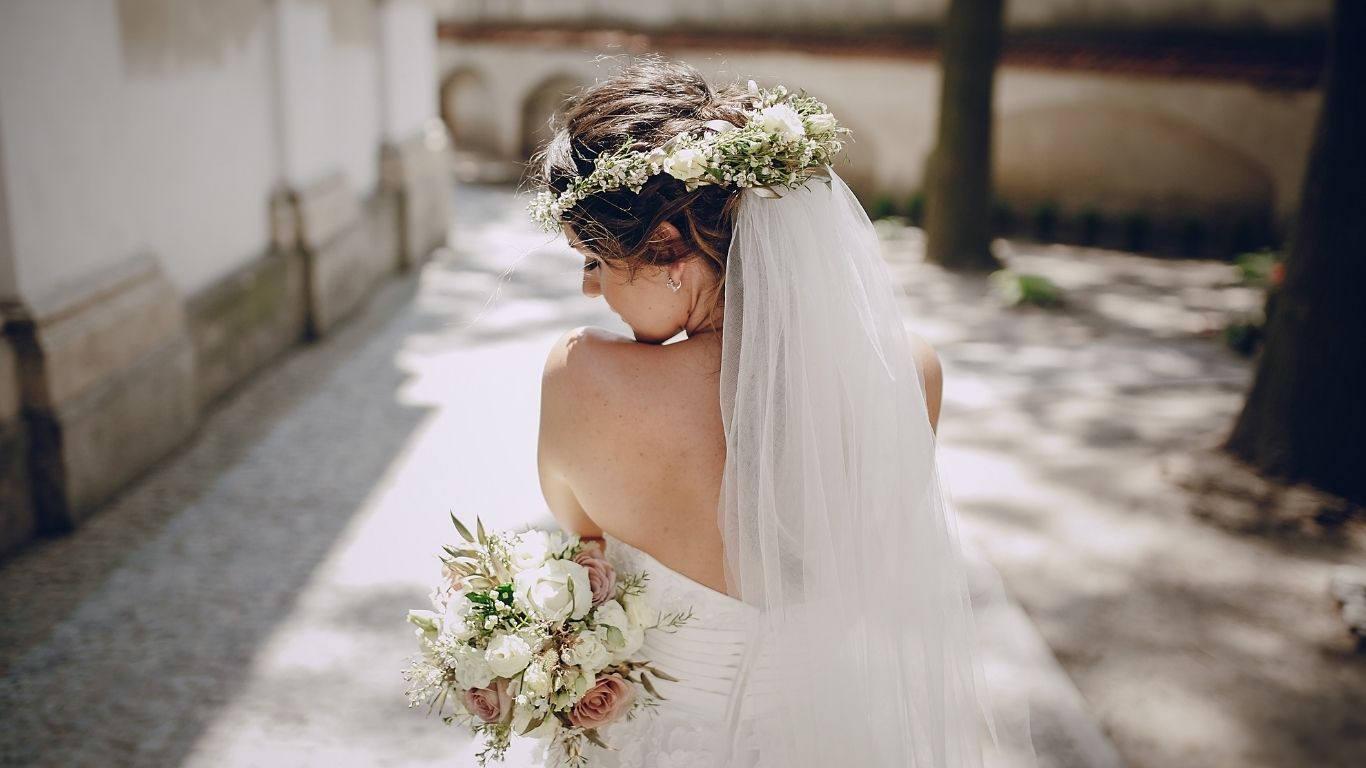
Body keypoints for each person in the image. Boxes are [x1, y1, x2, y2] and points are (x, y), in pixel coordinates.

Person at [534, 59, 1028, 767]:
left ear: (670, 251)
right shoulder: (907, 374)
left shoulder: (580, 376)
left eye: (593, 261)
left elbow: (579, 538)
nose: (589, 291)